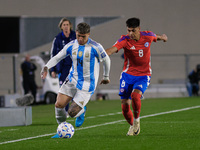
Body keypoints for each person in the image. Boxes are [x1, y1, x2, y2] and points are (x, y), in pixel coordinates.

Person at [41, 22, 111, 138]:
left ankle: (81, 111)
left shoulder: (95, 47)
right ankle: (61, 130)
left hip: (87, 84)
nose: (80, 39)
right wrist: (46, 67)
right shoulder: (71, 45)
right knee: (59, 105)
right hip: (72, 79)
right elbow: (58, 56)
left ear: (88, 34)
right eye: (78, 36)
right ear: (76, 33)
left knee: (72, 113)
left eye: (83, 36)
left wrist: (106, 77)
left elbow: (107, 60)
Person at [106, 17, 168, 136]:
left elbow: (157, 37)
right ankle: (132, 126)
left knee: (135, 96)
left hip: (144, 75)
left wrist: (163, 37)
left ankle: (136, 121)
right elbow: (112, 50)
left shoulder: (147, 36)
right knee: (124, 106)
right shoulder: (124, 39)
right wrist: (102, 54)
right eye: (129, 30)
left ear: (139, 29)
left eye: (133, 30)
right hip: (127, 75)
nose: (130, 33)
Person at [50, 18, 80, 126]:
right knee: (63, 90)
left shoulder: (75, 36)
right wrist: (52, 69)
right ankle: (66, 112)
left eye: (67, 24)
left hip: (75, 68)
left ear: (70, 26)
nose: (66, 26)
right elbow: (53, 54)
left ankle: (76, 109)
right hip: (63, 69)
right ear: (61, 26)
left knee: (76, 89)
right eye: (64, 25)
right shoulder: (57, 38)